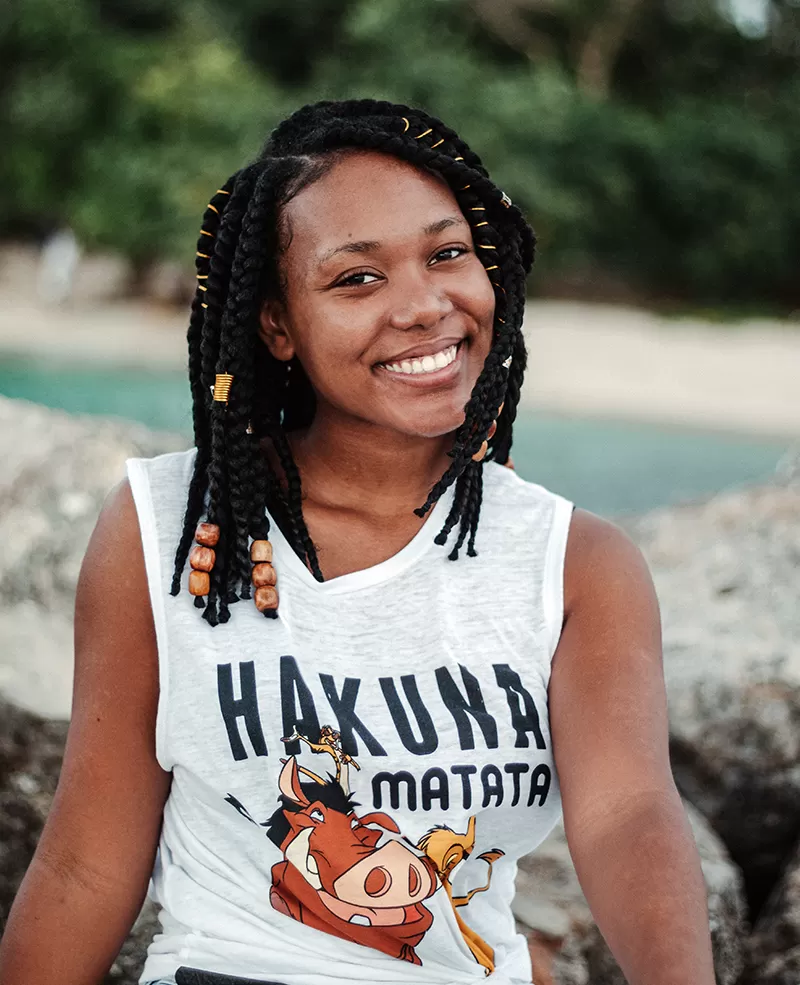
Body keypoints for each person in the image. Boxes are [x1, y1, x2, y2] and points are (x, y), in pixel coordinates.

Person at [0, 99, 716, 985]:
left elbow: (627, 816)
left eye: (446, 253)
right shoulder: (170, 528)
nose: (424, 306)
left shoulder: (576, 564)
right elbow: (86, 862)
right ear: (276, 325)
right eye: (355, 279)